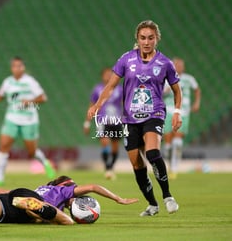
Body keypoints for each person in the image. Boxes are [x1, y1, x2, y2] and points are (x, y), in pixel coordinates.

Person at [87, 20, 182, 217]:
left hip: (154, 113)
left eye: (150, 38)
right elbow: (111, 86)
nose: (146, 42)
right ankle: (152, 204)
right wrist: (97, 105)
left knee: (153, 151)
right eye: (142, 38)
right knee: (137, 163)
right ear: (137, 39)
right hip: (130, 118)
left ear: (157, 39)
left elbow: (176, 91)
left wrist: (177, 113)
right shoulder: (126, 59)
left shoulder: (165, 63)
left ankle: (167, 196)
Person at [0, 153, 138, 224]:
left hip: (14, 200)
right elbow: (94, 186)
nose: (77, 194)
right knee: (65, 221)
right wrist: (117, 198)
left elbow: (7, 191)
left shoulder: (44, 188)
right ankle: (37, 212)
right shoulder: (65, 190)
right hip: (23, 204)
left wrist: (3, 192)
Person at [0, 57, 55, 187]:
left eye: (20, 66)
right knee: (3, 146)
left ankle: (45, 162)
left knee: (31, 151)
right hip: (11, 118)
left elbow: (43, 98)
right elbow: (0, 96)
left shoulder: (30, 81)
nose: (18, 68)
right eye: (15, 66)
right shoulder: (8, 82)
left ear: (23, 67)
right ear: (12, 68)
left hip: (29, 120)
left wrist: (30, 102)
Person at [163, 58, 200, 178]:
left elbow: (197, 90)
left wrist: (196, 103)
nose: (179, 67)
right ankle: (169, 165)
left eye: (180, 65)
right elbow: (159, 92)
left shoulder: (189, 79)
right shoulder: (165, 78)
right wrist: (166, 91)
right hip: (168, 111)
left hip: (183, 112)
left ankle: (174, 168)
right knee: (168, 144)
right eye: (176, 65)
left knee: (177, 142)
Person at [84, 68, 123, 180]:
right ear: (102, 76)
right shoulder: (98, 89)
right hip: (102, 120)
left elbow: (124, 104)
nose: (108, 76)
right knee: (105, 142)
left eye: (110, 74)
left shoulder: (119, 89)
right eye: (106, 74)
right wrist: (87, 123)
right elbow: (92, 105)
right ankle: (107, 168)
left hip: (116, 120)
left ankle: (111, 167)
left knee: (115, 147)